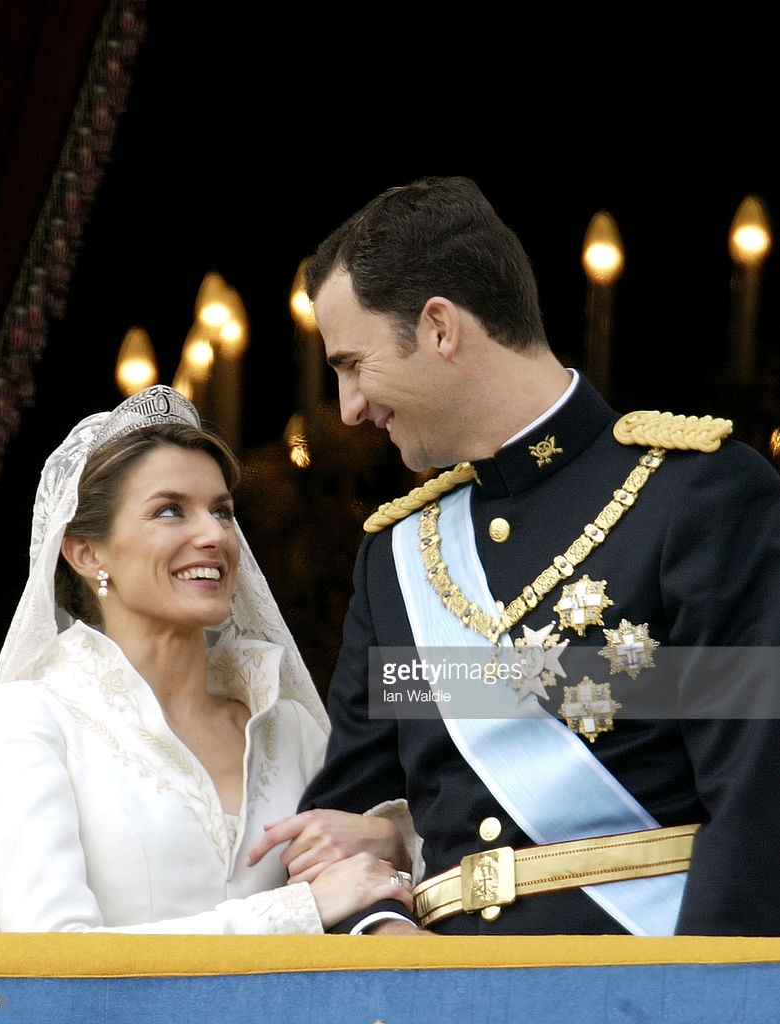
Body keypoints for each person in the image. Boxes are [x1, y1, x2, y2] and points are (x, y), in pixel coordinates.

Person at [252, 175, 780, 936]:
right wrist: (382, 931)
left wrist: (698, 991)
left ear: (439, 327)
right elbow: (343, 823)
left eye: (352, 364)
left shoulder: (699, 496)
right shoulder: (398, 558)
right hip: (443, 986)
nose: (349, 408)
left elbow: (757, 797)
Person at [0, 384, 412, 933]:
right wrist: (298, 911)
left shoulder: (288, 727)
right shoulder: (27, 720)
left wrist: (392, 844)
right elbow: (55, 957)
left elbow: (379, 898)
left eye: (222, 511)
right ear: (86, 553)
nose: (214, 534)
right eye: (170, 510)